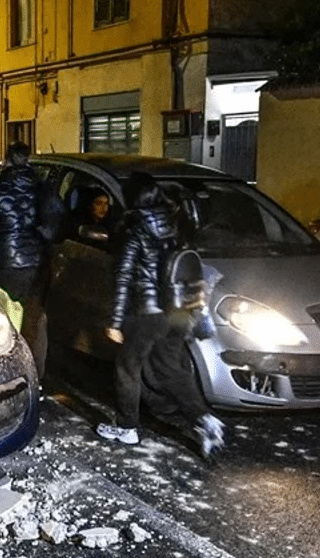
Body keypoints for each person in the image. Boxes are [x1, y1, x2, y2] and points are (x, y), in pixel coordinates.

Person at [97, 171, 226, 459]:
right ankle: (205, 419)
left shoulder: (134, 231)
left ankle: (127, 427)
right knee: (171, 369)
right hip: (177, 310)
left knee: (127, 367)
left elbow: (123, 278)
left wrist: (115, 322)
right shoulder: (174, 225)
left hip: (146, 312)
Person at [0, 141, 48, 377]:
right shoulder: (40, 187)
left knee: (7, 319)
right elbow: (53, 221)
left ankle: (13, 371)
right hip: (37, 263)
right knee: (35, 320)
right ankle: (36, 375)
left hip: (9, 266)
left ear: (6, 161)